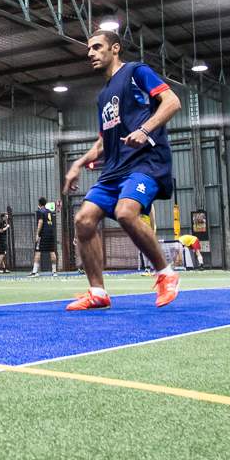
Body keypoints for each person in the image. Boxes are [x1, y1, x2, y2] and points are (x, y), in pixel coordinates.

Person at [62, 30, 182, 311]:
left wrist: (144, 129)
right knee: (83, 220)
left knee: (125, 212)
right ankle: (98, 292)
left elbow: (172, 102)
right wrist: (78, 164)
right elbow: (103, 141)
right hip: (113, 171)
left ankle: (166, 274)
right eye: (88, 50)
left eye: (96, 47)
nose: (90, 53)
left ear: (115, 48)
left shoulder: (135, 72)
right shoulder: (103, 96)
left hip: (145, 162)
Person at [29, 197, 58, 276]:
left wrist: (37, 234)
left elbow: (40, 222)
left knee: (38, 251)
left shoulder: (40, 211)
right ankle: (54, 272)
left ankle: (35, 272)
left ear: (39, 203)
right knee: (52, 251)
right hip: (51, 233)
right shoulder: (49, 212)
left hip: (43, 234)